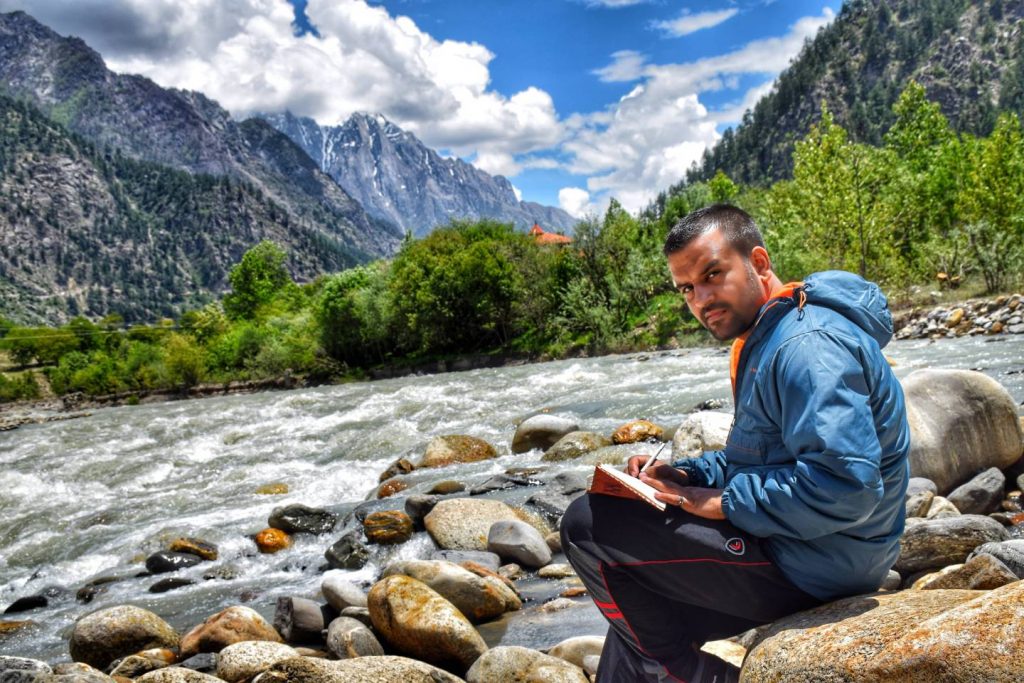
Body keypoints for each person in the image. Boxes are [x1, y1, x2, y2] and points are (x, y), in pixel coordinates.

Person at [560, 204, 911, 683]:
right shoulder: (770, 335)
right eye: (687, 288)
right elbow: (763, 455)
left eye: (712, 275)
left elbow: (847, 486)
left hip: (824, 560)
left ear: (759, 264)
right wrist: (687, 477)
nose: (701, 299)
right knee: (637, 621)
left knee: (587, 524)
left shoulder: (806, 348)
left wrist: (722, 502)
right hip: (812, 542)